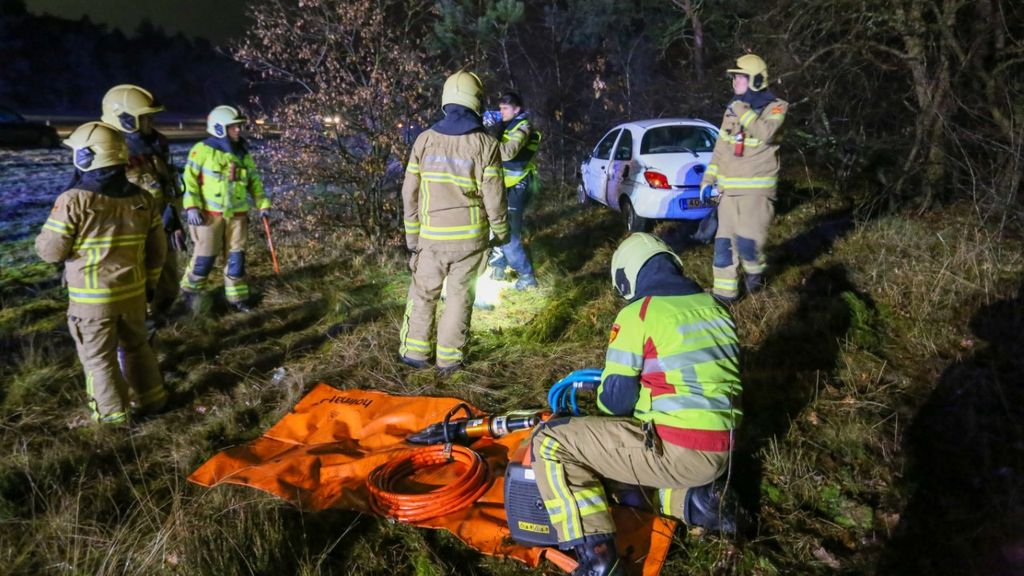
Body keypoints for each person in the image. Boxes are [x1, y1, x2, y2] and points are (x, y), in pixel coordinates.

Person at [530, 233, 742, 575]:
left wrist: (603, 390)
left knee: (550, 442)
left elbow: (616, 403)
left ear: (626, 277)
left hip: (676, 448)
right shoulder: (715, 307)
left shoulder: (639, 313)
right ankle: (697, 503)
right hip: (720, 453)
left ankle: (597, 558)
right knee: (626, 462)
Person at [35, 121, 168, 424]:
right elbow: (158, 251)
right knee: (138, 347)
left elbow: (50, 252)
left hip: (92, 303)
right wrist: (150, 284)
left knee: (99, 360)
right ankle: (155, 399)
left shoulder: (74, 200)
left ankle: (112, 418)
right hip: (133, 294)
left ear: (85, 157)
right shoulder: (142, 199)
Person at [399, 71, 509, 373]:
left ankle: (415, 354)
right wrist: (501, 231)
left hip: (431, 239)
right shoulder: (486, 145)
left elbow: (409, 193)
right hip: (470, 242)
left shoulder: (424, 141)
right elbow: (495, 197)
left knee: (423, 295)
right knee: (459, 298)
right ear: (477, 102)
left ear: (446, 100)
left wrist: (413, 241)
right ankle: (449, 360)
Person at [699, 54, 787, 302]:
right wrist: (708, 180)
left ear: (756, 80)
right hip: (728, 193)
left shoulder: (776, 107)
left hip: (755, 193)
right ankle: (724, 296)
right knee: (723, 248)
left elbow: (766, 133)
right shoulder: (732, 110)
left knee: (749, 248)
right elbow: (721, 148)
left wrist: (741, 110)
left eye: (739, 76)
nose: (734, 81)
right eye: (734, 76)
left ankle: (755, 281)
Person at [101, 84, 184, 321]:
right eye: (145, 118)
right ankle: (140, 335)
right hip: (130, 237)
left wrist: (173, 220)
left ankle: (160, 324)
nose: (151, 123)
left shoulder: (154, 148)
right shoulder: (109, 157)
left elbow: (166, 187)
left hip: (160, 228)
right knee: (138, 293)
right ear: (126, 120)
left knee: (168, 287)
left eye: (150, 117)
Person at [179, 105, 271, 313]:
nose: (238, 130)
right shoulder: (201, 150)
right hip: (208, 217)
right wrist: (192, 207)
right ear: (219, 128)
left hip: (237, 218)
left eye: (239, 126)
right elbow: (189, 182)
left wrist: (263, 205)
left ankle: (237, 299)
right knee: (204, 258)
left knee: (236, 259)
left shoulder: (243, 153)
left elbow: (255, 182)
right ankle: (190, 296)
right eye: (233, 127)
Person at [487, 92, 541, 289]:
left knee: (509, 233)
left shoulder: (523, 127)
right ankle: (499, 267)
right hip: (504, 185)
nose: (501, 112)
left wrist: (487, 139)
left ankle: (527, 278)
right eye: (499, 108)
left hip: (518, 185)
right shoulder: (506, 125)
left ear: (517, 109)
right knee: (496, 225)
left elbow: (507, 153)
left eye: (505, 108)